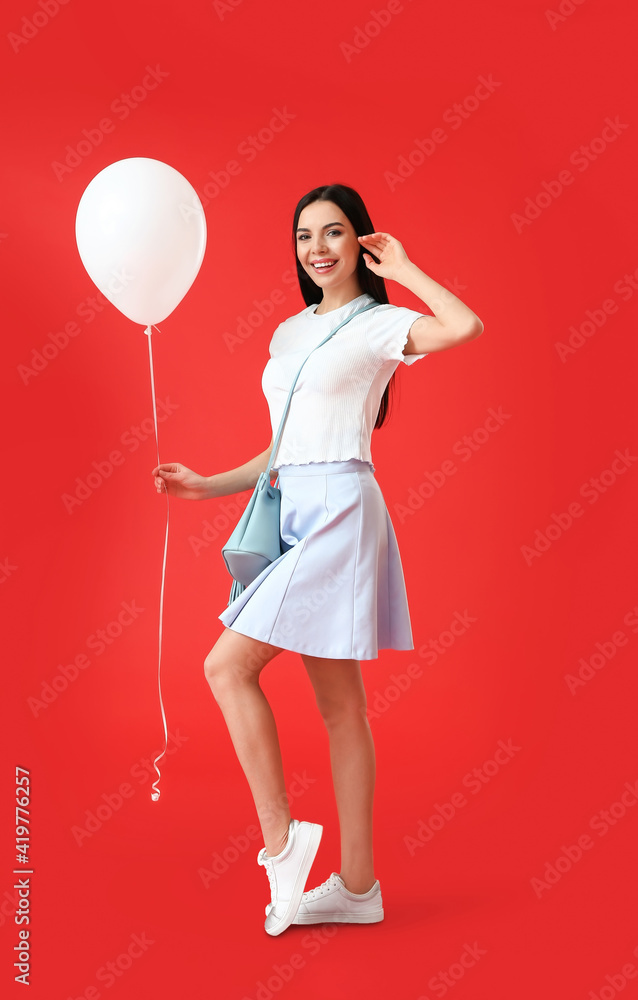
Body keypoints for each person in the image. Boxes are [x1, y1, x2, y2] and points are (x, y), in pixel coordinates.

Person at [151, 183, 483, 936]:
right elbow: (284, 445)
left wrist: (403, 267)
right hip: (292, 503)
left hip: (340, 510)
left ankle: (281, 843)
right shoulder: (288, 333)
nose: (319, 249)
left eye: (336, 234)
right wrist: (208, 485)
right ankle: (359, 888)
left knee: (225, 667)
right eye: (305, 236)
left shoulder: (381, 323)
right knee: (341, 708)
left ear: (362, 243)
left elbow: (464, 326)